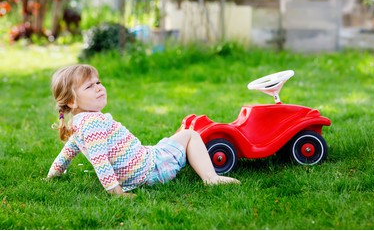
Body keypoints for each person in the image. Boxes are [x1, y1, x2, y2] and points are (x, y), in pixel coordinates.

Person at [46, 64, 240, 197]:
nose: (99, 88)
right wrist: (117, 192)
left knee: (166, 144)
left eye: (98, 82)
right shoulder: (93, 123)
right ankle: (211, 178)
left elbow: (68, 151)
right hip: (150, 169)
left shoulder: (79, 124)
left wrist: (53, 174)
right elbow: (100, 161)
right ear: (72, 101)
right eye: (89, 86)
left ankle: (198, 165)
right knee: (190, 135)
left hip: (137, 167)